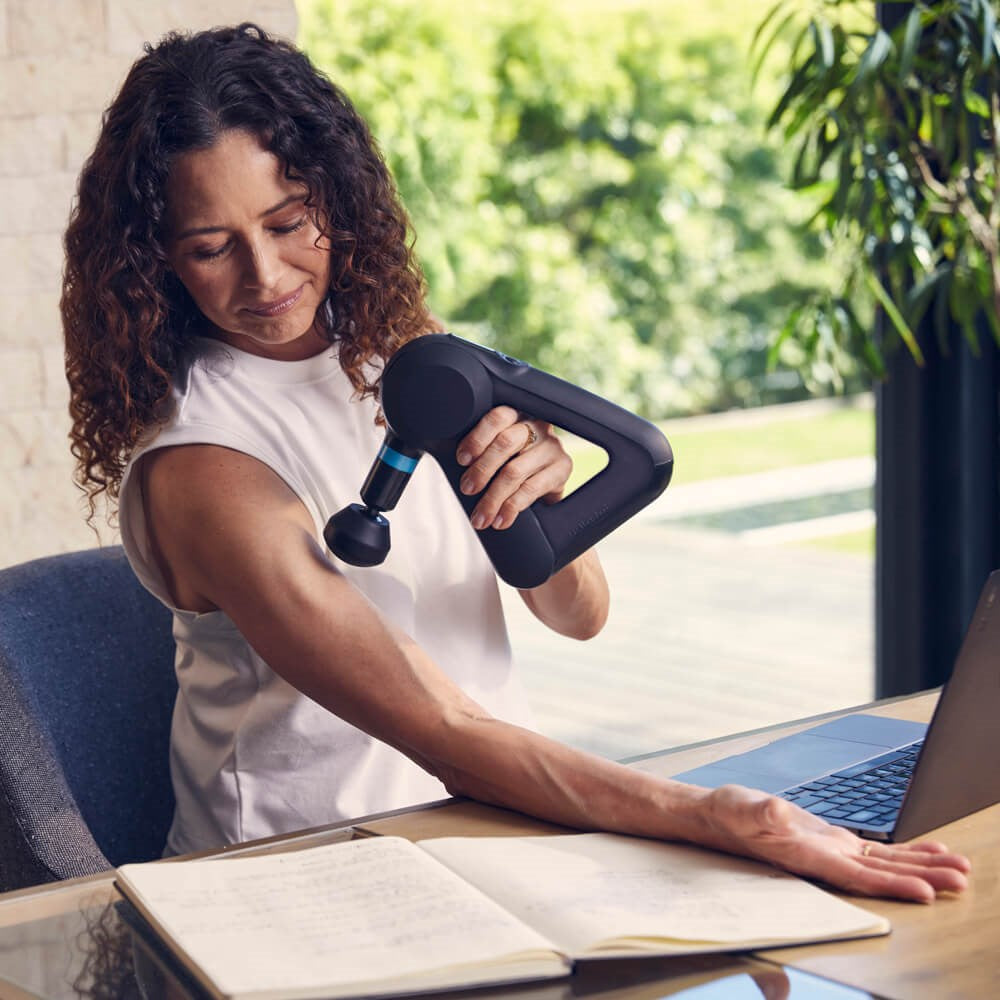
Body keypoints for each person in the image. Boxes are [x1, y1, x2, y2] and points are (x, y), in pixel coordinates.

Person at [62, 22, 969, 903]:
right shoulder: (203, 468)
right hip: (302, 885)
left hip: (492, 835)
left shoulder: (396, 354)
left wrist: (539, 494)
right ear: (156, 265)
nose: (265, 276)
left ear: (334, 196)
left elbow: (580, 613)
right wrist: (727, 816)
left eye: (289, 221)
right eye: (211, 248)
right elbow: (443, 730)